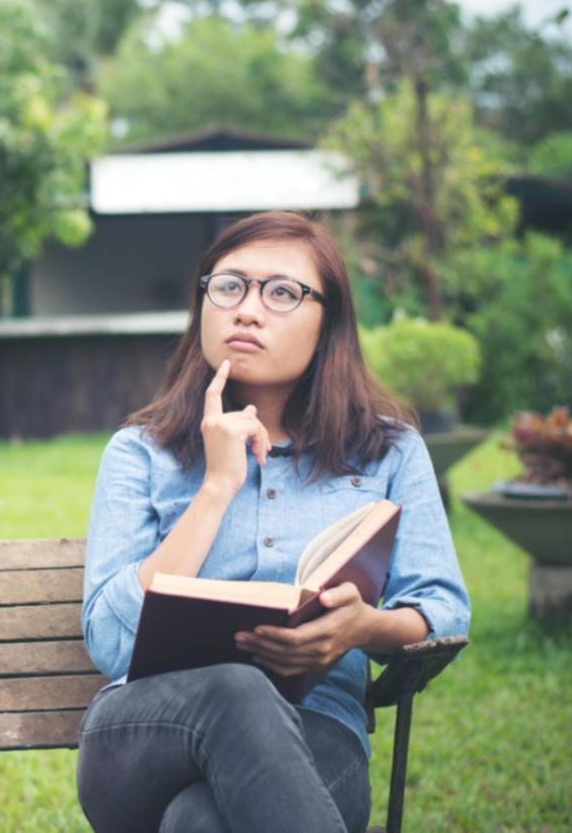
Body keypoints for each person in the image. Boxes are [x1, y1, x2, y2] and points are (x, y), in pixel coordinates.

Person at [76, 211, 470, 833]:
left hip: (320, 733)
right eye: (228, 285)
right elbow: (111, 641)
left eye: (282, 292)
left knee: (199, 822)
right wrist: (216, 485)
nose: (247, 310)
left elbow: (442, 608)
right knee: (238, 689)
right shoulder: (141, 452)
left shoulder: (387, 450)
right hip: (145, 734)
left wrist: (362, 627)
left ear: (329, 323)